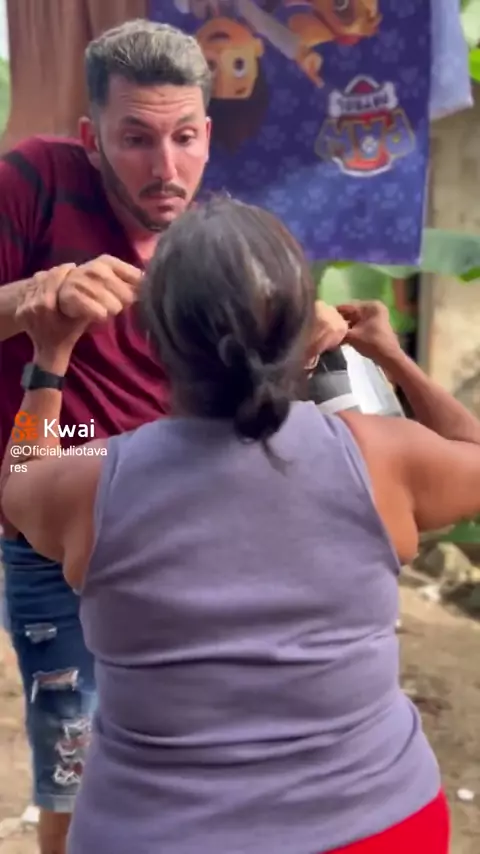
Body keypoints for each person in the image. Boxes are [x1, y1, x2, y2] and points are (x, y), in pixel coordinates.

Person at [5, 198, 480, 854]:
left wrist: (49, 362)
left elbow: (19, 478)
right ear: (299, 326)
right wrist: (393, 358)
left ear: (155, 339)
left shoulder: (92, 486)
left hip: (156, 837)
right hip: (378, 825)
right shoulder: (378, 458)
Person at [0, 19, 348, 854]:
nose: (166, 167)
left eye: (185, 137)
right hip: (53, 529)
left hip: (191, 525)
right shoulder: (33, 180)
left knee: (203, 752)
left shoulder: (220, 238)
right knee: (77, 764)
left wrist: (309, 344)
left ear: (208, 134)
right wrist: (38, 298)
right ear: (92, 138)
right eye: (136, 140)